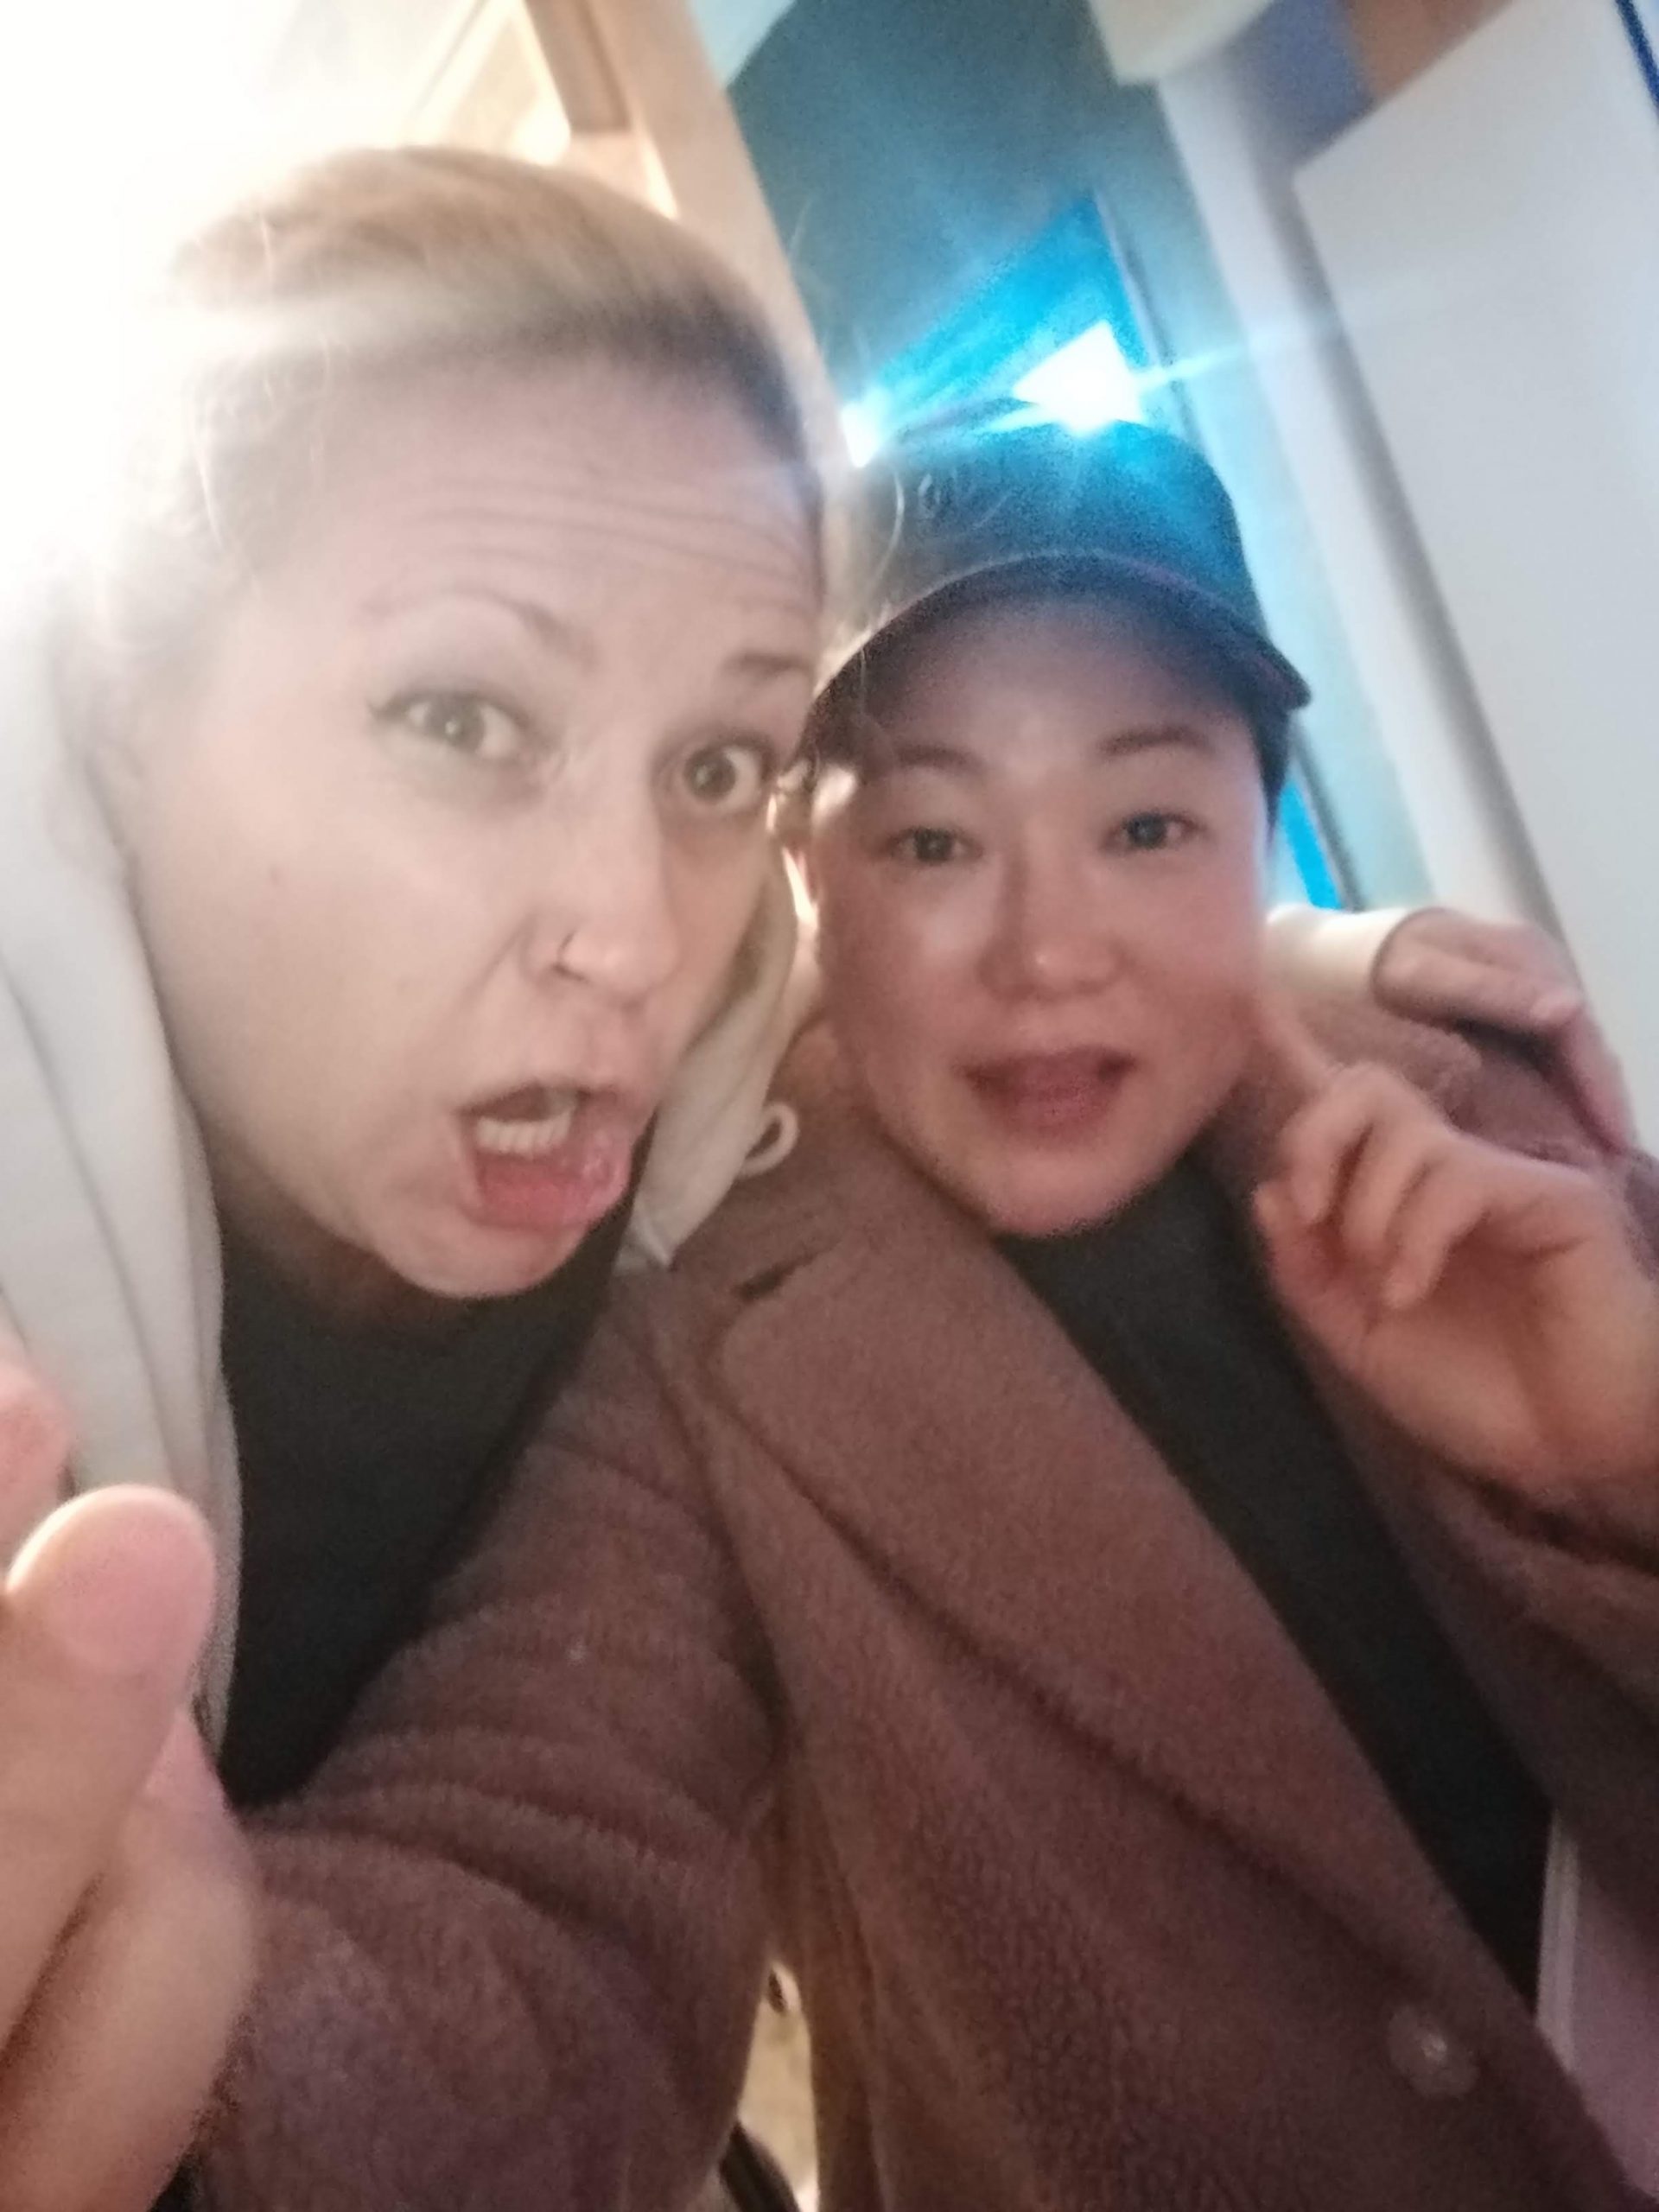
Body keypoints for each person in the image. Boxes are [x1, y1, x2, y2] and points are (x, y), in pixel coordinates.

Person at [0, 159, 1621, 2202]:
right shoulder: (705, 1324)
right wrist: (185, 2098)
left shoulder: (1493, 1127)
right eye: (930, 840)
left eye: (1147, 824)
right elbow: (553, 1889)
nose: (626, 936)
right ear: (823, 884)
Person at [0, 140, 825, 2209]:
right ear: (114, 710)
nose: (633, 932)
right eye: (465, 716)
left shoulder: (740, 1194)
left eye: (719, 765)